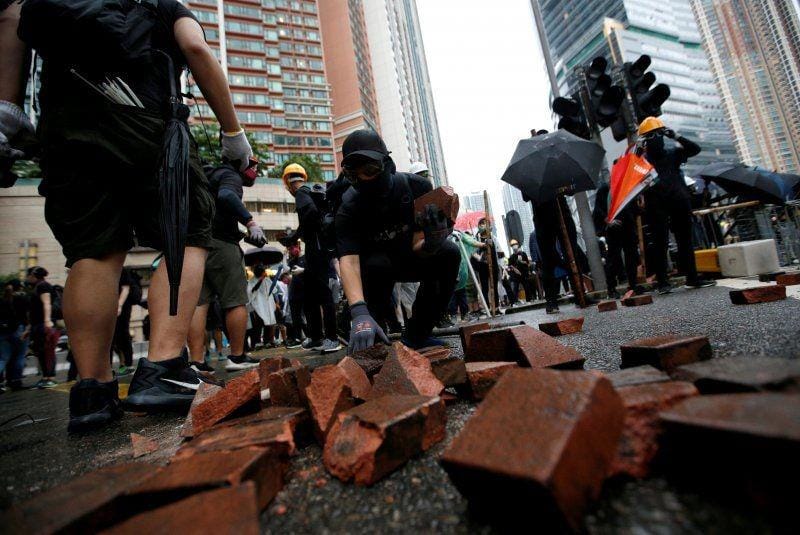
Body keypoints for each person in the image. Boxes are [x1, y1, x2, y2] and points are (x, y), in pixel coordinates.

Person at [2, 1, 255, 431]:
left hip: (66, 130)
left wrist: (6, 115)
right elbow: (196, 48)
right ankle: (163, 368)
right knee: (188, 229)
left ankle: (91, 391)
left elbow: (10, 21)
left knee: (93, 253)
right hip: (148, 123)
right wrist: (234, 134)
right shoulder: (155, 2)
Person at [335, 129, 460, 352]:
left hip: (410, 257)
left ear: (388, 165)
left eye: (370, 170)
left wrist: (433, 240)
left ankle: (418, 335)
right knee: (368, 349)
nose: (363, 178)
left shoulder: (416, 188)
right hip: (373, 272)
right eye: (354, 174)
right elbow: (349, 261)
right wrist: (358, 311)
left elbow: (417, 245)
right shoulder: (348, 208)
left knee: (449, 252)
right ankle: (361, 327)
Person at [187, 161, 265, 373]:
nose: (255, 171)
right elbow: (227, 196)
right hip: (222, 243)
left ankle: (196, 361)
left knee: (198, 304)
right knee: (235, 300)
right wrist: (250, 222)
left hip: (196, 244)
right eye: (253, 164)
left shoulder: (204, 173)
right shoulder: (231, 175)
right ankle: (237, 357)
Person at [638, 117, 716, 293]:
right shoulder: (641, 162)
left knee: (685, 241)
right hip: (656, 206)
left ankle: (692, 278)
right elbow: (629, 176)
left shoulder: (673, 154)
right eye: (651, 136)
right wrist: (636, 152)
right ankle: (663, 282)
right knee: (660, 243)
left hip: (679, 202)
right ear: (644, 140)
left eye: (659, 134)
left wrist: (676, 136)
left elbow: (695, 149)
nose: (656, 138)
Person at [282, 164, 341, 353]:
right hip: (319, 248)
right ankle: (316, 337)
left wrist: (296, 235)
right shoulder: (311, 192)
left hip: (317, 248)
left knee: (322, 293)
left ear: (288, 182)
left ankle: (331, 338)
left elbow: (310, 214)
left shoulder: (300, 193)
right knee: (311, 294)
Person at [593, 182, 642, 299]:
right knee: (614, 259)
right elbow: (598, 209)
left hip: (628, 226)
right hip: (614, 228)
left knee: (631, 256)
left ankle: (633, 285)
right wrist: (608, 220)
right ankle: (611, 288)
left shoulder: (628, 186)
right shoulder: (606, 188)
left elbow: (634, 207)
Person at [22, 267, 59, 388]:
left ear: (33, 275)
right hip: (38, 324)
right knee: (41, 352)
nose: (27, 278)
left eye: (28, 275)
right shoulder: (37, 287)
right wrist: (28, 329)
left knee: (48, 351)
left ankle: (50, 377)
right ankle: (45, 377)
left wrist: (47, 321)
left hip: (44, 324)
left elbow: (47, 303)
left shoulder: (44, 286)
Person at [1, 279, 29, 393]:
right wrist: (27, 329)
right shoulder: (23, 299)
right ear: (20, 288)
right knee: (20, 356)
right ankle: (16, 382)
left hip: (2, 331)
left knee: (2, 358)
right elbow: (28, 315)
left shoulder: (2, 300)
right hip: (19, 330)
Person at [110, 268, 139, 376]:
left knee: (123, 335)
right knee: (111, 338)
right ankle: (111, 366)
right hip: (108, 306)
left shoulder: (122, 270)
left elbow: (125, 288)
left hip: (122, 308)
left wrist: (119, 305)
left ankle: (128, 364)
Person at [247, 264, 278, 350]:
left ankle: (267, 341)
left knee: (268, 323)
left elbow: (273, 289)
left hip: (267, 303)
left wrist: (276, 302)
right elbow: (252, 290)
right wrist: (260, 280)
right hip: (258, 304)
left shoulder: (267, 279)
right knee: (259, 323)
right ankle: (257, 342)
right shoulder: (252, 280)